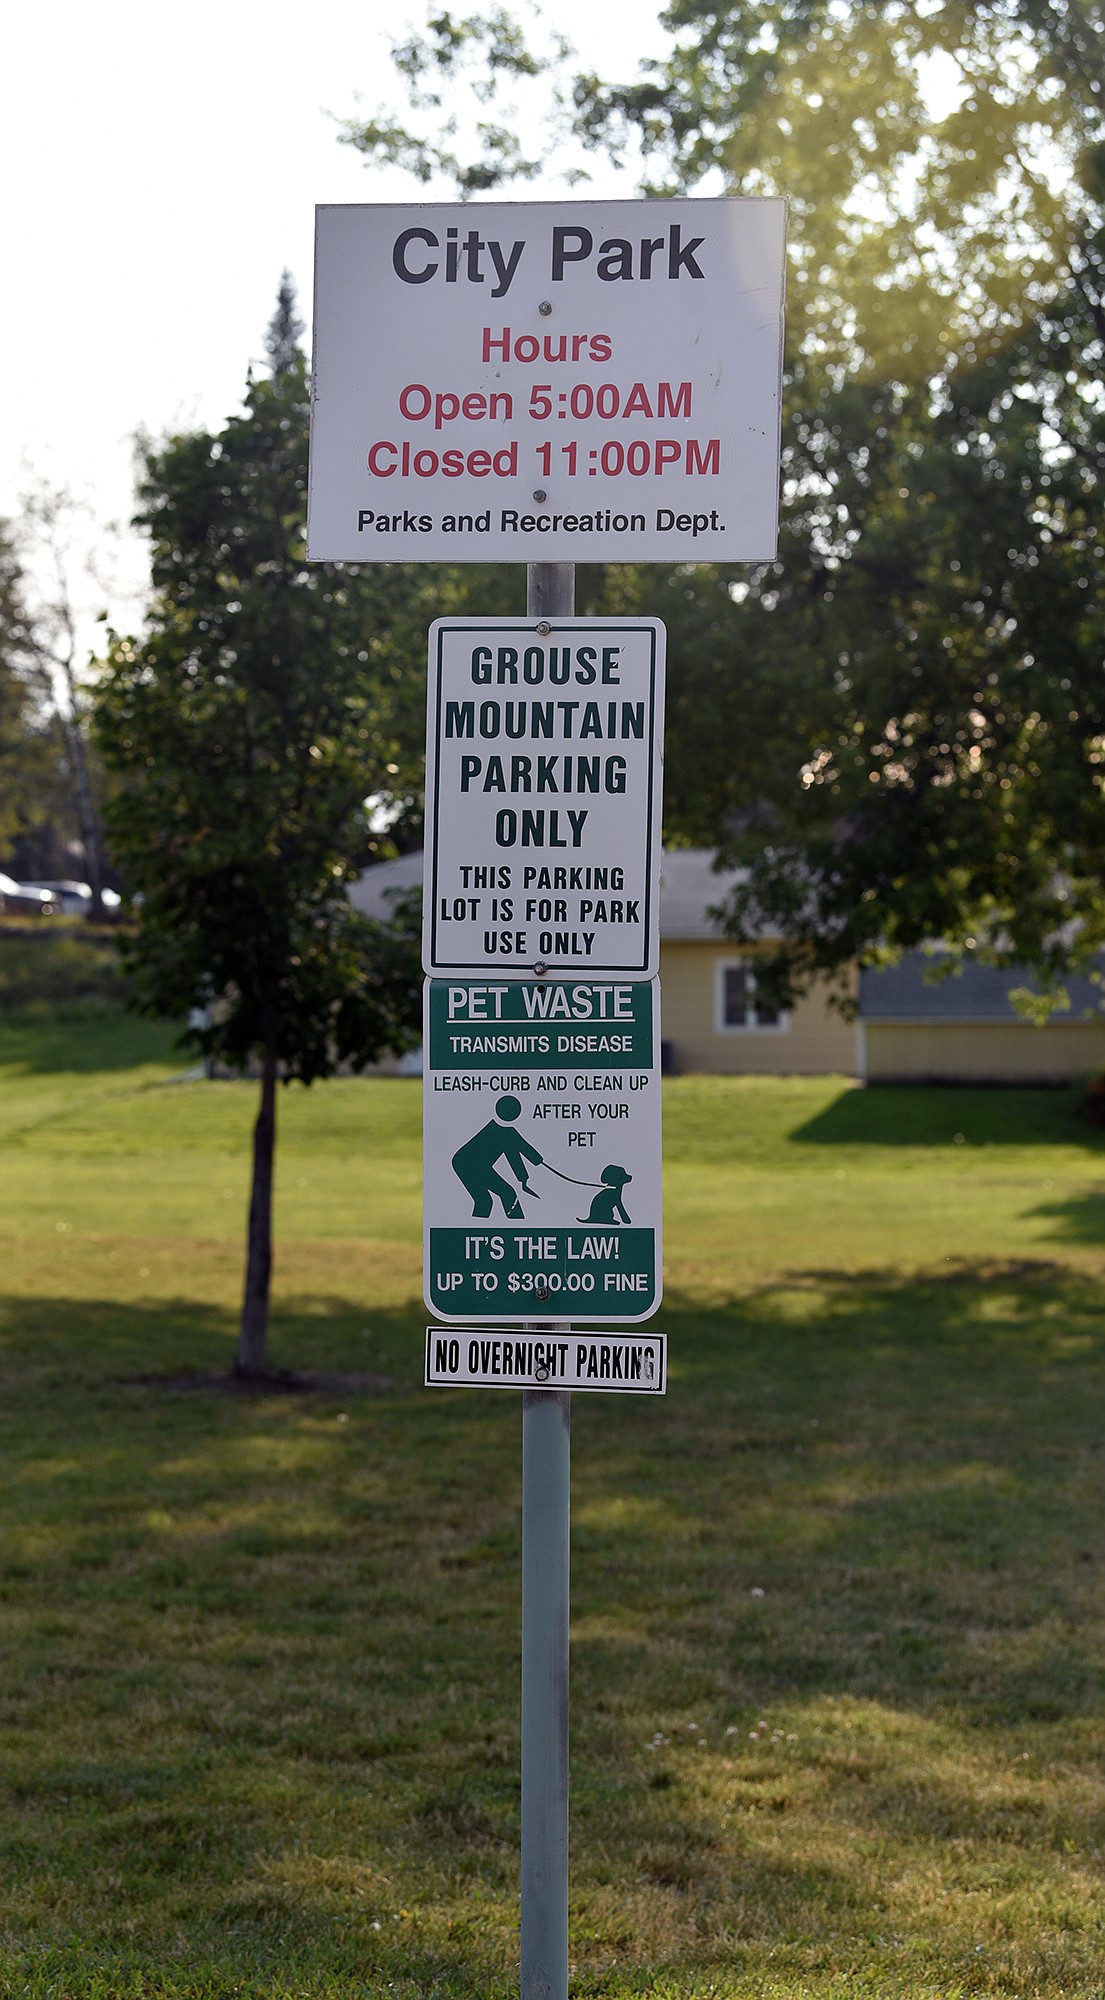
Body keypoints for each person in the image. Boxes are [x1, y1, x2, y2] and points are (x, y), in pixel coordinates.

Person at [451, 1095, 544, 1219]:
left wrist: (532, 1166)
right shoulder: (506, 1133)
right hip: (465, 1164)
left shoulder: (506, 1132)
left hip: (478, 1165)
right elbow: (515, 1156)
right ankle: (514, 1226)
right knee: (486, 1200)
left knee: (500, 1196)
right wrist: (524, 1177)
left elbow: (521, 1150)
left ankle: (517, 1225)